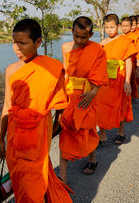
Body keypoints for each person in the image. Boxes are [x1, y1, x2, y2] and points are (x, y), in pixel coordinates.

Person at [0, 19, 73, 203]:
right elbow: (7, 104)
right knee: (18, 175)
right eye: (14, 42)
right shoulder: (11, 70)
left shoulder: (51, 68)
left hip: (38, 130)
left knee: (33, 177)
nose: (16, 48)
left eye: (22, 43)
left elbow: (61, 104)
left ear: (38, 42)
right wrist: (1, 138)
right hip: (15, 131)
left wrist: (54, 127)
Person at [59, 16, 108, 180]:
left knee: (88, 128)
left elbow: (100, 74)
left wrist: (93, 94)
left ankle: (92, 159)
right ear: (71, 31)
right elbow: (65, 72)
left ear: (91, 34)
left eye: (84, 37)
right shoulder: (65, 47)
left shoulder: (98, 50)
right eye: (76, 36)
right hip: (70, 94)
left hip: (88, 94)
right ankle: (63, 176)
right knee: (66, 131)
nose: (79, 40)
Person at [97, 15, 137, 146]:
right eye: (107, 27)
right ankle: (102, 134)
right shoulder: (102, 43)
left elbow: (129, 61)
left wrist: (127, 81)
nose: (109, 30)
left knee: (120, 105)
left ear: (118, 27)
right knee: (101, 105)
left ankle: (121, 132)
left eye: (112, 27)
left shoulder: (125, 41)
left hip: (120, 77)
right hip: (105, 78)